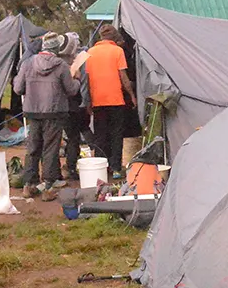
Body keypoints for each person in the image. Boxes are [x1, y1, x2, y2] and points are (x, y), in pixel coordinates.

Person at [15, 32, 81, 201]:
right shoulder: (61, 65)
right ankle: (49, 187)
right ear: (57, 49)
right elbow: (71, 90)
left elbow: (17, 89)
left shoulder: (28, 63)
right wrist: (78, 80)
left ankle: (28, 185)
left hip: (33, 110)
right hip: (54, 112)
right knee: (50, 148)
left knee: (33, 147)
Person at [88, 25, 137, 179]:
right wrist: (132, 95)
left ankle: (101, 168)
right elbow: (124, 78)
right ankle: (116, 168)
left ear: (101, 37)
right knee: (116, 134)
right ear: (114, 37)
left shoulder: (90, 52)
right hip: (116, 99)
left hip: (97, 100)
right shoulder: (118, 51)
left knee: (100, 134)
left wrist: (88, 101)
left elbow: (86, 80)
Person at [58, 32, 88, 181]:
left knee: (67, 139)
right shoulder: (73, 63)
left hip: (61, 106)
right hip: (72, 106)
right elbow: (73, 88)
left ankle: (59, 171)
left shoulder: (56, 61)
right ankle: (70, 167)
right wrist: (76, 79)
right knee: (73, 138)